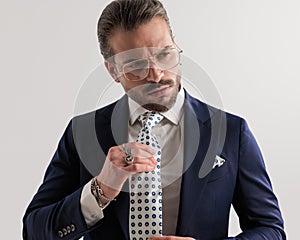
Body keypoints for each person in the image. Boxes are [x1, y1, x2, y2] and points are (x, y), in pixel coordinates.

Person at [23, 0, 286, 239]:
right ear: (113, 70)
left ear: (177, 47)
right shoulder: (82, 132)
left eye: (164, 54)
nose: (157, 74)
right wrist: (101, 189)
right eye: (136, 64)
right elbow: (34, 230)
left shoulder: (231, 131)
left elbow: (271, 230)